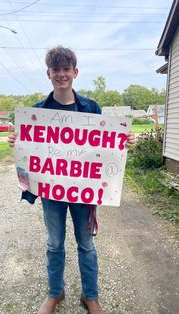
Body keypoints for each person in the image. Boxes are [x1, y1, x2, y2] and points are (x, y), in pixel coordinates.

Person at [8, 46, 135, 314]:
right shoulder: (37, 112)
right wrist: (17, 142)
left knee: (86, 244)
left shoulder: (91, 108)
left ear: (75, 72)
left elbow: (105, 147)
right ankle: (55, 293)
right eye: (56, 69)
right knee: (54, 244)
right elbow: (28, 152)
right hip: (51, 192)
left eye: (66, 69)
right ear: (49, 74)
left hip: (84, 192)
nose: (61, 74)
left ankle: (91, 296)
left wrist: (123, 142)